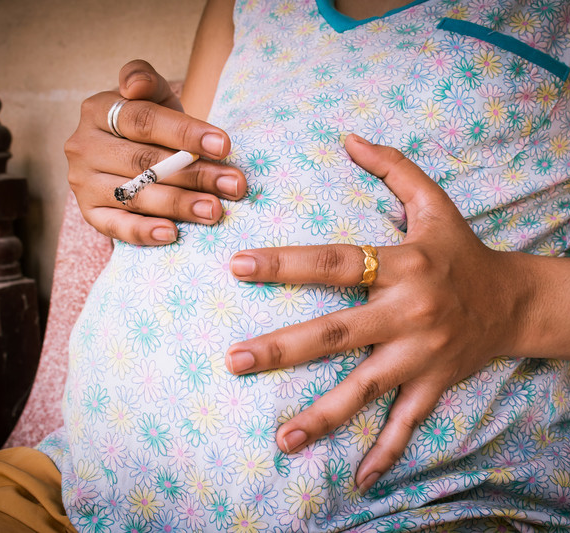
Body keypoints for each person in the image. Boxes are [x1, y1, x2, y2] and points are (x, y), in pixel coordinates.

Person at [3, 0, 570, 531]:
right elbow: (173, 177)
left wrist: (513, 300)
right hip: (76, 482)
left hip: (414, 507)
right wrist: (122, 172)